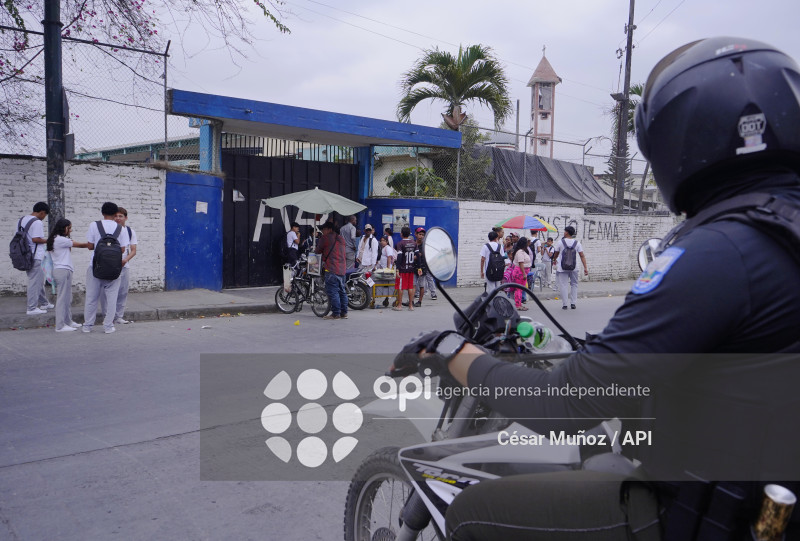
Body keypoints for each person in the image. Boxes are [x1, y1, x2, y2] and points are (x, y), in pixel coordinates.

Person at [398, 37, 800, 540]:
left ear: (680, 138)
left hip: (695, 516)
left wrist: (453, 348)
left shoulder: (721, 251)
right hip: (761, 498)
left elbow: (559, 408)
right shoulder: (780, 233)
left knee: (468, 509)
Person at [83, 202, 130, 334]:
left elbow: (90, 246)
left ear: (102, 213)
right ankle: (108, 326)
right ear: (115, 214)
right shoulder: (121, 228)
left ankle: (88, 326)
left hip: (95, 266)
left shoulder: (94, 225)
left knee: (91, 297)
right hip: (114, 268)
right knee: (112, 298)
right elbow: (122, 249)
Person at [46, 218, 89, 332]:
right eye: (68, 228)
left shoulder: (57, 239)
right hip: (62, 270)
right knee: (62, 298)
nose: (70, 230)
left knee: (67, 298)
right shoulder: (60, 239)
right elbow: (80, 245)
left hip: (64, 270)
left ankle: (68, 321)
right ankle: (60, 326)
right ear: (63, 228)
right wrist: (92, 244)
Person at [100, 207, 137, 324]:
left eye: (120, 216)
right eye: (115, 216)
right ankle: (107, 316)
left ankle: (118, 316)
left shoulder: (130, 231)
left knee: (122, 291)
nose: (118, 218)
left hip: (123, 265)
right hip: (108, 265)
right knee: (106, 292)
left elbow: (133, 250)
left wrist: (125, 260)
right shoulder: (109, 229)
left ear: (125, 218)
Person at [16, 202, 51, 315]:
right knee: (34, 281)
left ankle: (44, 303)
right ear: (42, 212)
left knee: (38, 279)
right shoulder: (37, 222)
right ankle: (31, 308)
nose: (43, 218)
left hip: (25, 254)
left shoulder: (21, 220)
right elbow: (36, 239)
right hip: (35, 255)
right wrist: (49, 240)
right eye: (44, 215)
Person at [315, 221, 348, 320]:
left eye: (323, 229)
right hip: (342, 269)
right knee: (342, 291)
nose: (322, 231)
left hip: (331, 269)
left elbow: (317, 251)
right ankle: (344, 312)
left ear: (329, 229)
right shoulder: (341, 238)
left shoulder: (325, 238)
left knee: (333, 292)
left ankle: (335, 314)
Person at [552, 225, 588, 310]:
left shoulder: (561, 242)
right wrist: (585, 268)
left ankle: (565, 304)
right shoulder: (577, 243)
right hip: (574, 267)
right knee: (574, 284)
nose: (564, 232)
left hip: (562, 268)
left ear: (567, 232)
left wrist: (554, 260)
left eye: (564, 231)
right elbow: (582, 255)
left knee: (563, 285)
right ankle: (573, 303)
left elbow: (556, 254)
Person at [393, 226, 416, 311]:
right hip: (411, 268)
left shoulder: (400, 243)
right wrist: (419, 268)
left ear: (401, 234)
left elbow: (399, 257)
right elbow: (417, 256)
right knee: (410, 287)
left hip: (403, 269)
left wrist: (397, 269)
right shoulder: (414, 243)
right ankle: (410, 306)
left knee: (400, 287)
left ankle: (399, 305)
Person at [413, 227, 437, 305]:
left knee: (422, 284)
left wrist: (418, 256)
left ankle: (420, 301)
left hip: (423, 267)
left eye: (423, 235)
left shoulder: (425, 245)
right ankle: (412, 300)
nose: (421, 236)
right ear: (415, 234)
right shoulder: (413, 244)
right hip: (413, 267)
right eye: (420, 234)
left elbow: (425, 254)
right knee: (413, 284)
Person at [509, 237, 530, 310]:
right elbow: (521, 263)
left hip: (521, 272)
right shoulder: (520, 252)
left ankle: (519, 304)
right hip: (520, 273)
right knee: (519, 289)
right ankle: (518, 305)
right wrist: (524, 274)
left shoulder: (522, 251)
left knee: (520, 289)